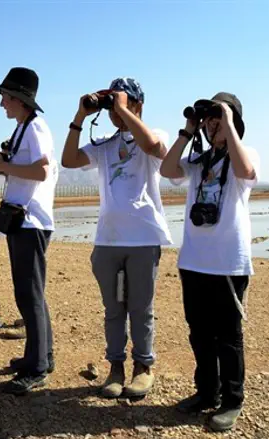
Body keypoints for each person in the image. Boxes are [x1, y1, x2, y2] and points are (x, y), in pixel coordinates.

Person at [61, 77, 172, 399]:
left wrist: (125, 110)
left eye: (121, 103)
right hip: (108, 239)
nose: (114, 111)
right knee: (113, 310)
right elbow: (69, 160)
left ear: (138, 104)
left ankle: (143, 367)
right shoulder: (106, 145)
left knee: (141, 308)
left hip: (143, 237)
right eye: (110, 104)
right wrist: (79, 117)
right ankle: (115, 368)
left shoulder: (155, 135)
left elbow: (154, 148)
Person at [159, 92, 260, 432]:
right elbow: (167, 168)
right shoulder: (199, 161)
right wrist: (188, 130)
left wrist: (228, 122)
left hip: (228, 263)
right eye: (209, 117)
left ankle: (232, 401)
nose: (212, 121)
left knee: (228, 337)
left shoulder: (245, 156)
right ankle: (206, 393)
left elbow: (246, 170)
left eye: (218, 115)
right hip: (194, 262)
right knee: (199, 334)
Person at [0, 67, 58, 395]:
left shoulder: (35, 127)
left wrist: (2, 166)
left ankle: (37, 367)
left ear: (19, 100)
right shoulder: (24, 127)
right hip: (23, 221)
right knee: (30, 293)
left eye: (5, 97)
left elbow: (42, 169)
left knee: (29, 294)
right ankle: (39, 357)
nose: (1, 104)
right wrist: (3, 162)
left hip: (31, 222)